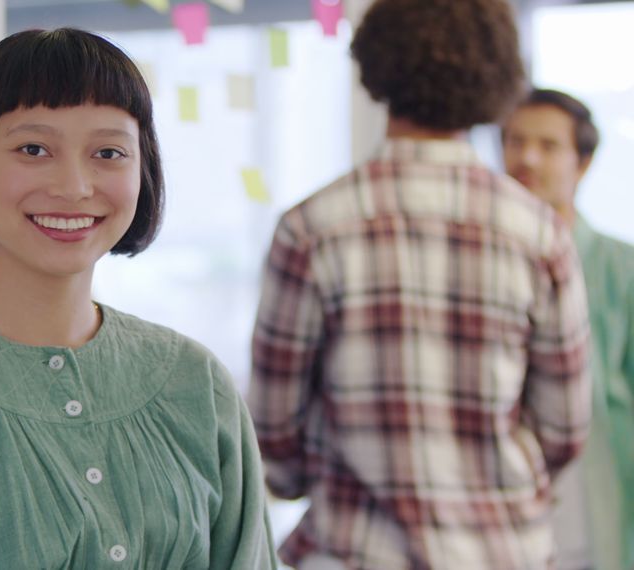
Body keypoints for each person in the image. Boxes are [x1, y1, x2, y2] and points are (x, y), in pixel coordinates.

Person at [0, 28, 276, 569]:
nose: (74, 186)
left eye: (108, 152)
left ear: (143, 171)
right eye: (33, 149)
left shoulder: (196, 381)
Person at [247, 1, 593, 568]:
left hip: (354, 550)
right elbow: (563, 428)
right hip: (504, 551)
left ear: (376, 67)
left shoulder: (311, 228)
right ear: (496, 74)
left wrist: (321, 469)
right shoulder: (540, 233)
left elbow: (274, 431)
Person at [502, 88, 634, 570]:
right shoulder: (482, 260)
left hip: (592, 501)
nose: (526, 157)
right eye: (515, 141)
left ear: (583, 162)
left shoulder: (620, 268)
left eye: (548, 145)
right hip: (495, 513)